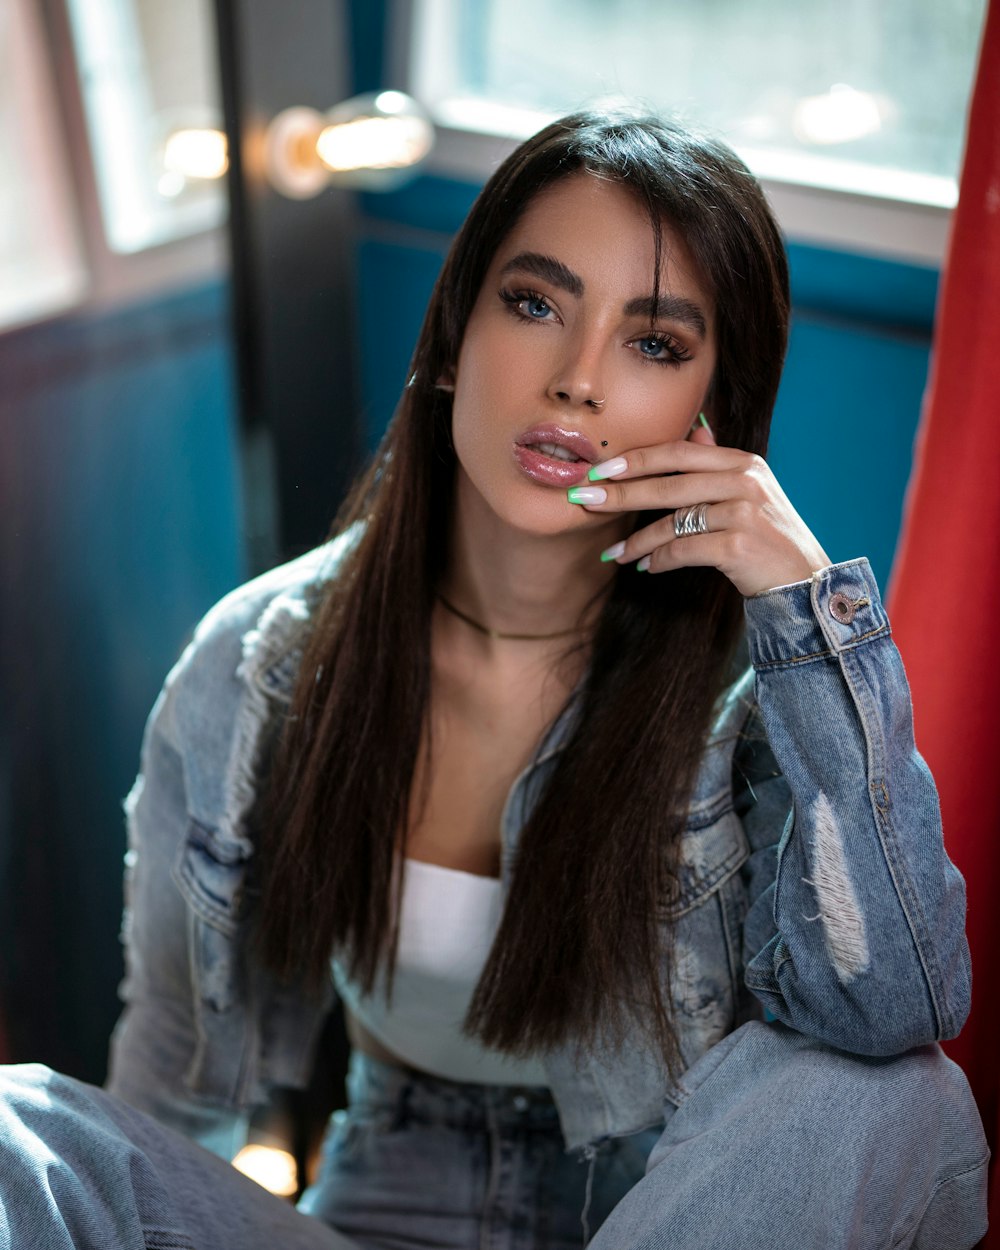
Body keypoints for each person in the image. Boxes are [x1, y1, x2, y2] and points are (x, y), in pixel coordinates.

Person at [0, 110, 988, 1250]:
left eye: (652, 344)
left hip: (654, 1210)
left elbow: (893, 1007)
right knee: (22, 1126)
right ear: (453, 333)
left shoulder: (755, 697)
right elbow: (170, 1078)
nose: (576, 380)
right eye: (535, 303)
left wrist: (810, 614)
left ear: (709, 417)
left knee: (891, 1089)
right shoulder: (262, 662)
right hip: (372, 1207)